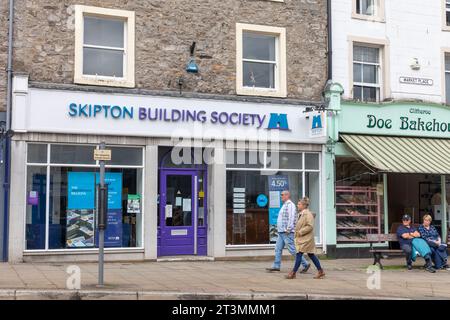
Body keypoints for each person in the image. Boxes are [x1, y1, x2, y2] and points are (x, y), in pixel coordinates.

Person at [266, 191, 310, 273]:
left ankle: (305, 264)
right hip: (281, 231)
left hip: (287, 232)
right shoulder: (285, 205)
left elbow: (291, 217)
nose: (281, 196)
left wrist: (289, 229)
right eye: (281, 195)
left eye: (282, 195)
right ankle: (276, 265)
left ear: (287, 195)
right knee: (278, 248)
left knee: (292, 249)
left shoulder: (290, 205)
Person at [286, 197, 325, 279]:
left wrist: (300, 232)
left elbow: (310, 226)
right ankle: (320, 271)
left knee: (299, 254)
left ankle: (293, 273)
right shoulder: (301, 214)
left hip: (306, 238)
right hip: (303, 238)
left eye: (299, 204)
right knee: (311, 254)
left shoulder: (308, 214)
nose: (297, 205)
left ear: (303, 205)